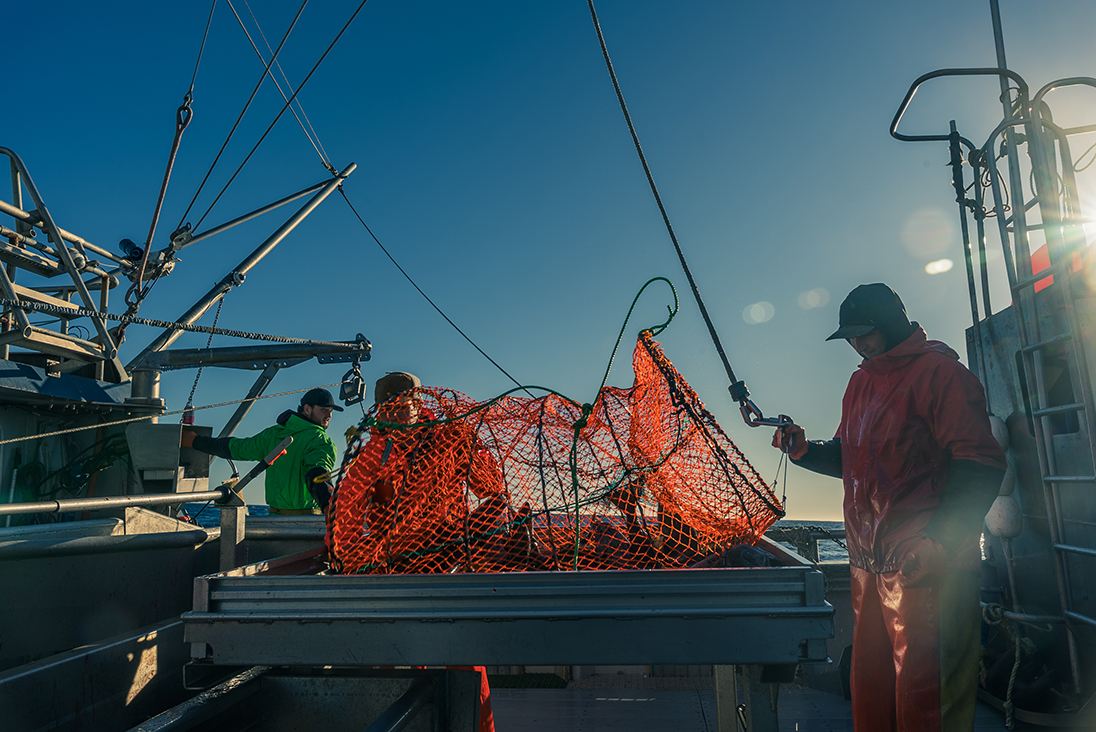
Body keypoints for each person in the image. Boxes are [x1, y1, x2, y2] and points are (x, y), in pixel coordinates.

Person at [772, 283, 1005, 732]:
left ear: (892, 322)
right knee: (871, 686)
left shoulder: (942, 374)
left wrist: (940, 542)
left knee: (927, 695)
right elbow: (852, 457)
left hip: (930, 563)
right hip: (867, 565)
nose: (857, 344)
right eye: (850, 337)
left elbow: (982, 464)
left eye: (865, 332)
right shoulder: (859, 382)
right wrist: (804, 451)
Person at [330, 371, 497, 732]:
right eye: (395, 406)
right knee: (444, 663)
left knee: (431, 664)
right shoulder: (384, 451)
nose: (399, 412)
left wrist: (351, 567)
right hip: (424, 573)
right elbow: (491, 488)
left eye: (401, 404)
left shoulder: (384, 449)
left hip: (418, 575)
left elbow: (342, 527)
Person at [182, 387, 342, 515]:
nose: (329, 415)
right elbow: (317, 474)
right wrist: (329, 508)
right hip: (307, 523)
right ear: (307, 409)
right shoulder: (320, 440)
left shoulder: (273, 435)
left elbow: (236, 448)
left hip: (274, 521)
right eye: (324, 410)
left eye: (331, 411)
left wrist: (195, 441)